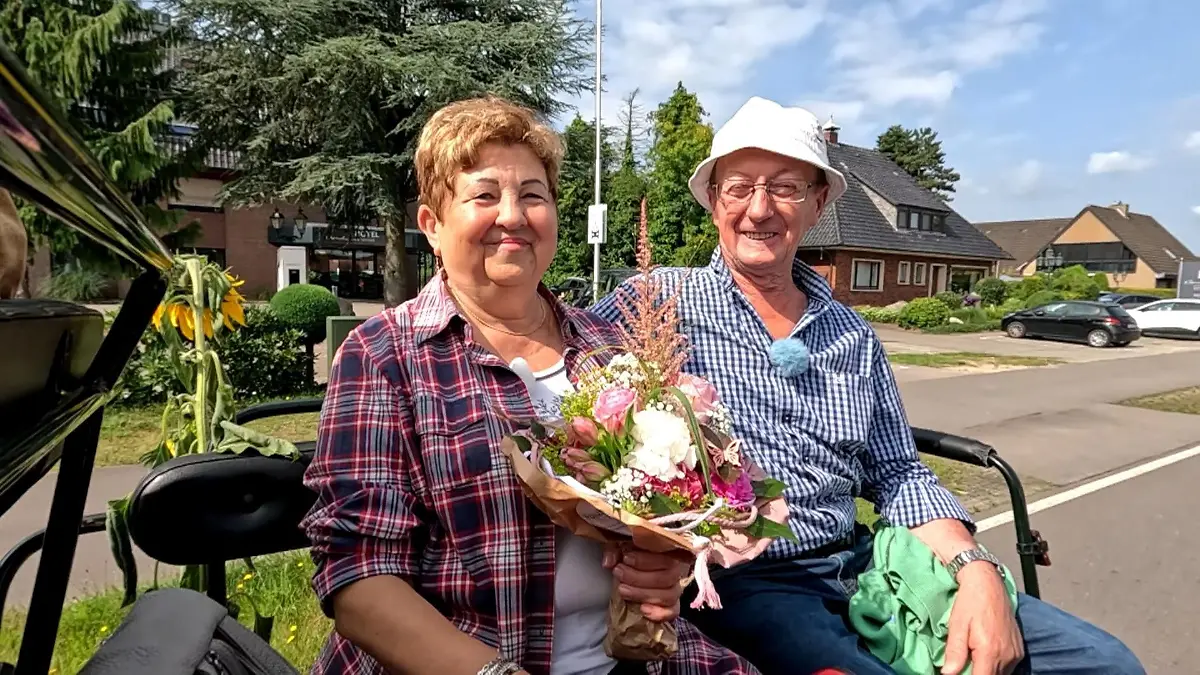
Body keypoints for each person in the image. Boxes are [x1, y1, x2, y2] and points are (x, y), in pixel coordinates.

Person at [592, 96, 1145, 675]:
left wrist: (977, 570)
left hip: (865, 560)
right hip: (746, 582)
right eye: (739, 187)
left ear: (819, 203)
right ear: (713, 201)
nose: (759, 209)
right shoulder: (654, 304)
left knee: (1106, 663)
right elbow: (558, 379)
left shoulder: (851, 332)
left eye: (785, 188)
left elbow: (898, 472)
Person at [300, 95, 758, 675]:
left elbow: (664, 509)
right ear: (432, 226)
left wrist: (663, 563)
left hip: (629, 656)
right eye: (484, 195)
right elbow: (358, 578)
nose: (513, 215)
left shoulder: (610, 346)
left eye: (533, 195)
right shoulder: (384, 355)